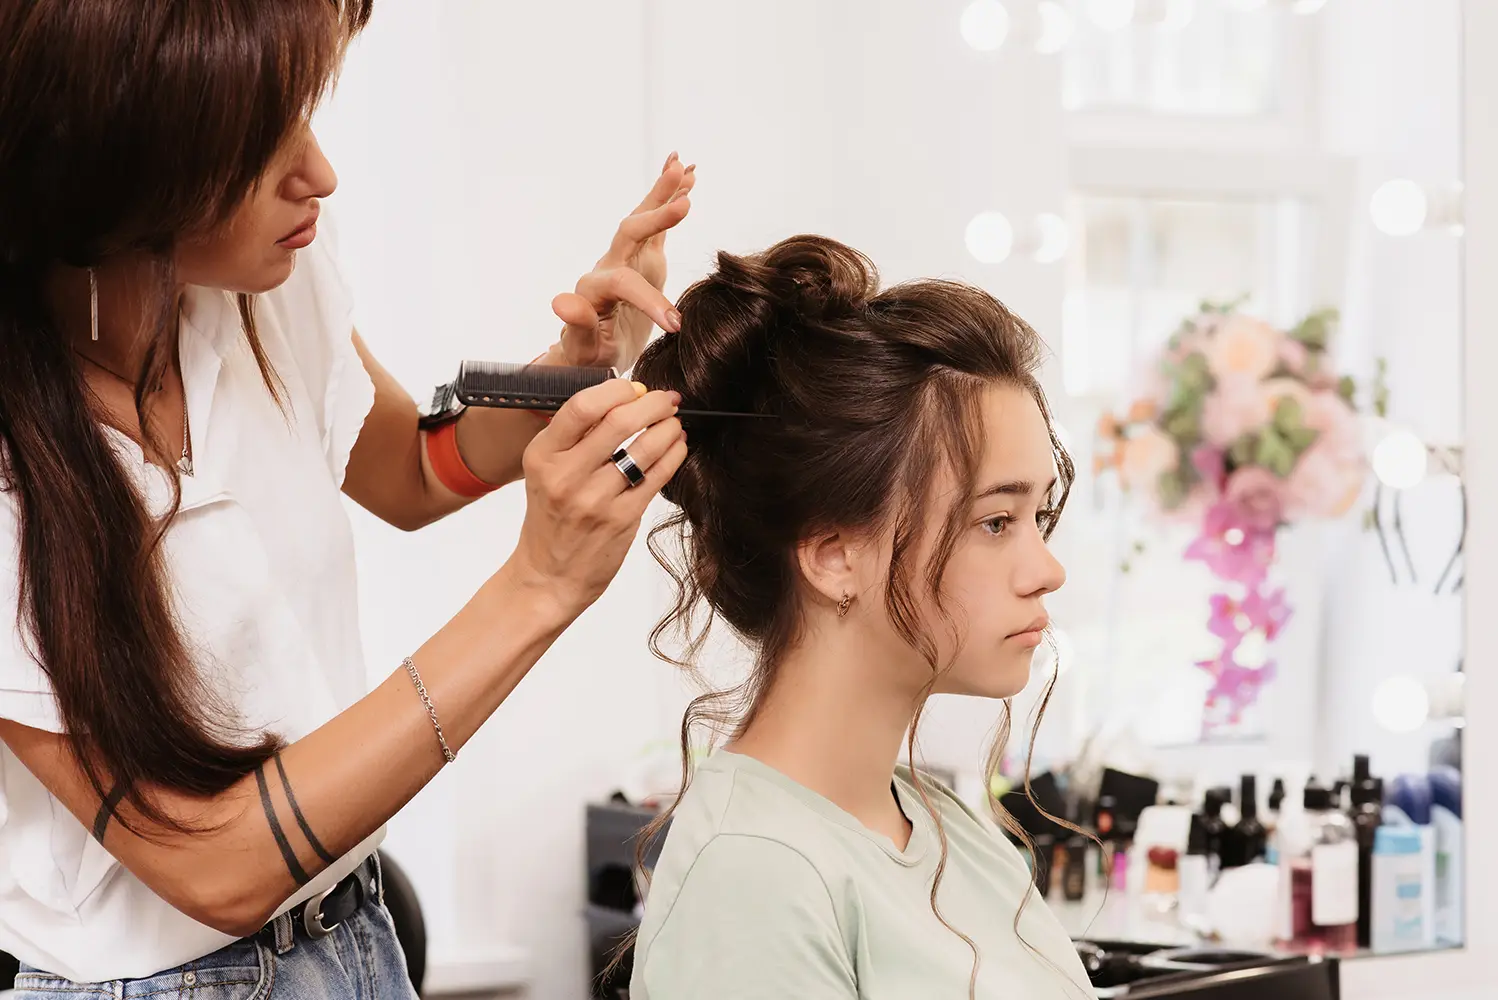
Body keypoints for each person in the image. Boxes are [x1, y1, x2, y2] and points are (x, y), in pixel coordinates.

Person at [0, 2, 691, 997]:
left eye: (303, 117)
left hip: (357, 938)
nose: (319, 174)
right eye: (258, 146)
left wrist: (577, 366)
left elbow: (416, 469)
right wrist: (540, 585)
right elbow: (214, 862)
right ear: (119, 165)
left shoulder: (262, 285)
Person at [627, 236, 1096, 999]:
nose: (1047, 570)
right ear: (834, 557)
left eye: (1038, 516)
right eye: (995, 522)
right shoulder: (755, 875)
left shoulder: (947, 827)